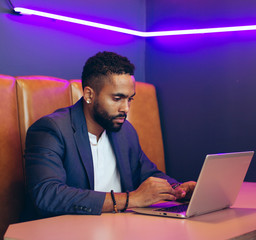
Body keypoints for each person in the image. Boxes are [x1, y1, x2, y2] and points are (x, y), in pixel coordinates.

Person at [22, 51, 195, 220]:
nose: (125, 108)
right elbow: (47, 194)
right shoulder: (51, 129)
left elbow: (147, 173)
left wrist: (178, 189)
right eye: (117, 98)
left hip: (121, 229)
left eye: (129, 99)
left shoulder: (125, 131)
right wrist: (131, 199)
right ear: (89, 95)